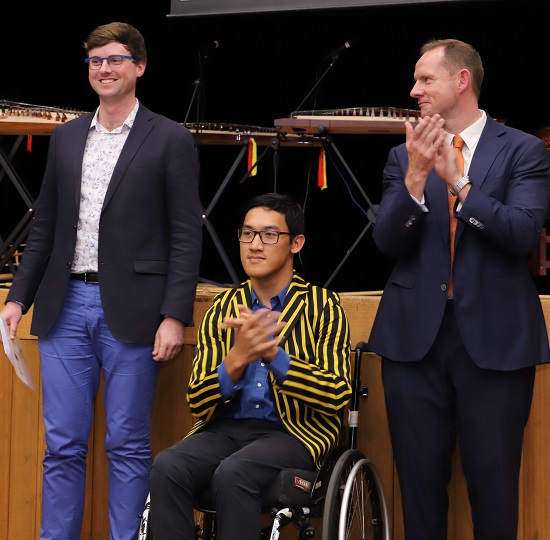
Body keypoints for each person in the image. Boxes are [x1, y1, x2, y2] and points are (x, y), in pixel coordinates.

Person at [0, 22, 202, 540]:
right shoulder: (66, 136)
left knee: (127, 444)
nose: (104, 69)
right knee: (62, 445)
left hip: (135, 312)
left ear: (139, 66)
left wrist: (175, 315)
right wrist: (18, 297)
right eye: (95, 61)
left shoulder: (170, 137)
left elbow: (185, 234)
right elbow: (44, 223)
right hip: (64, 304)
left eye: (114, 59)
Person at [368, 38, 550, 540]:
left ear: (461, 80)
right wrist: (416, 178)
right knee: (419, 490)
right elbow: (385, 241)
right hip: (413, 342)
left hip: (494, 341)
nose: (414, 90)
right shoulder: (404, 153)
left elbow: (522, 234)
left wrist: (460, 186)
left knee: (494, 493)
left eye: (426, 80)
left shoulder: (523, 150)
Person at [149, 192, 351, 539]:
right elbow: (197, 401)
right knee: (167, 465)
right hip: (225, 430)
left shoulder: (323, 306)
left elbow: (337, 394)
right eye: (247, 233)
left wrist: (275, 357)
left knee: (234, 472)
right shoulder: (223, 308)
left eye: (269, 235)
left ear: (296, 243)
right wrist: (236, 358)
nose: (255, 245)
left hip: (294, 433)